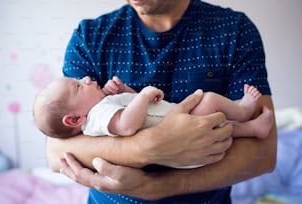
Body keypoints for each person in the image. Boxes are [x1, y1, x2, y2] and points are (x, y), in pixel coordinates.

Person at [46, 0, 277, 203]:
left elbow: (263, 154)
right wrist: (149, 147)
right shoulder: (90, 37)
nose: (85, 82)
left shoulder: (233, 30)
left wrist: (154, 187)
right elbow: (57, 151)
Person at [34, 75, 272, 141]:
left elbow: (130, 108)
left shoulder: (99, 112)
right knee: (208, 101)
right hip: (179, 127)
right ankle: (243, 111)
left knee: (217, 128)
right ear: (75, 119)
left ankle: (251, 130)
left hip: (182, 131)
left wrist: (123, 91)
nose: (86, 78)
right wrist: (145, 94)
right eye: (77, 87)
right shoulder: (97, 115)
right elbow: (128, 125)